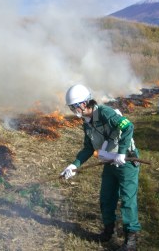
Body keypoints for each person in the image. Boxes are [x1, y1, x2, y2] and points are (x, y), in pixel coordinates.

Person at [61, 84, 141, 250]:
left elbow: (128, 127)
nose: (72, 110)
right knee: (106, 198)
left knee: (127, 200)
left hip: (126, 162)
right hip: (110, 163)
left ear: (84, 104)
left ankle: (131, 239)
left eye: (73, 106)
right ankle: (108, 231)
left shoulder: (105, 113)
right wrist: (73, 165)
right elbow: (88, 148)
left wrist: (122, 152)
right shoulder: (86, 123)